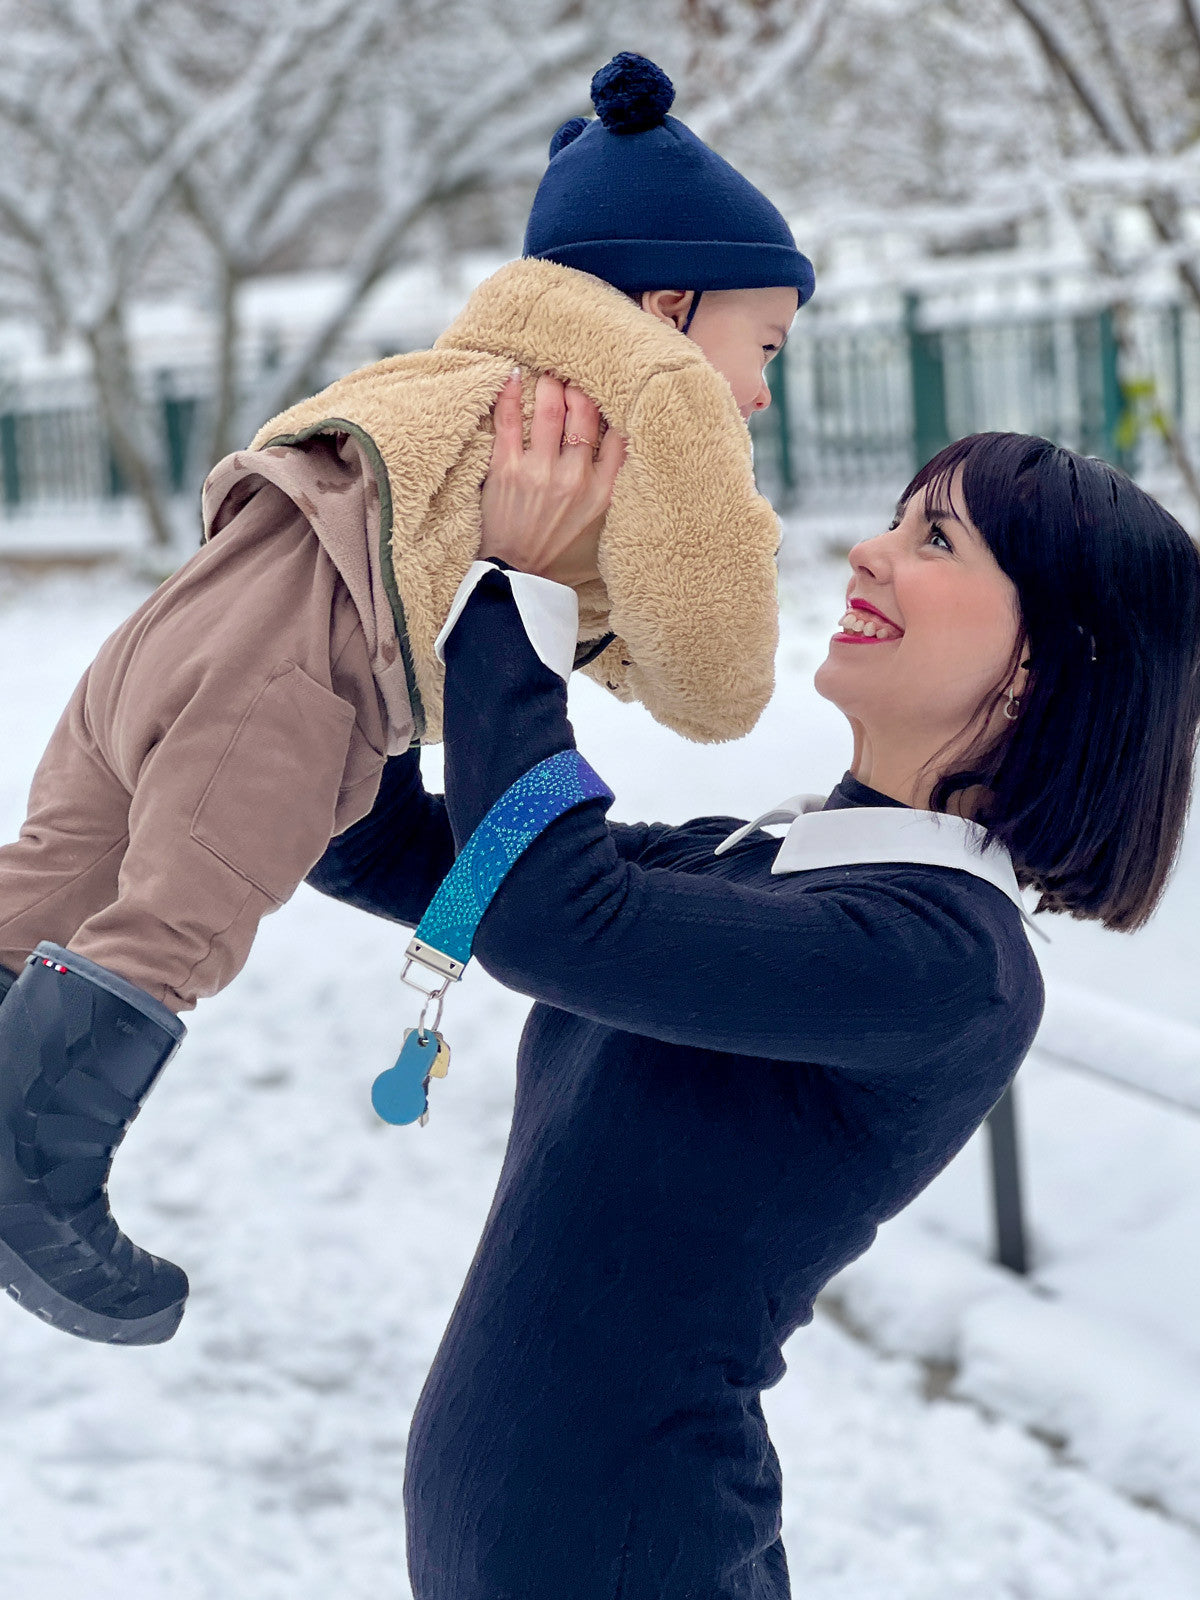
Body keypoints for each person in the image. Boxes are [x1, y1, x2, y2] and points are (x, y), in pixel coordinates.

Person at [306, 404, 1200, 1597]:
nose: (870, 553)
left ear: (1042, 663)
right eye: (894, 523)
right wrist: (324, 596)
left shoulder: (946, 958)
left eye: (938, 542)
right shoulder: (750, 860)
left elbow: (549, 915)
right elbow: (404, 855)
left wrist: (516, 589)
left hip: (636, 1550)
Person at [0, 51, 812, 1346]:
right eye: (762, 344)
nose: (762, 387)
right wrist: (725, 526)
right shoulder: (657, 389)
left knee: (48, 887)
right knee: (174, 927)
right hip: (291, 682)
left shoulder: (454, 373)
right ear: (668, 304)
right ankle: (30, 1171)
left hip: (168, 631)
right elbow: (716, 675)